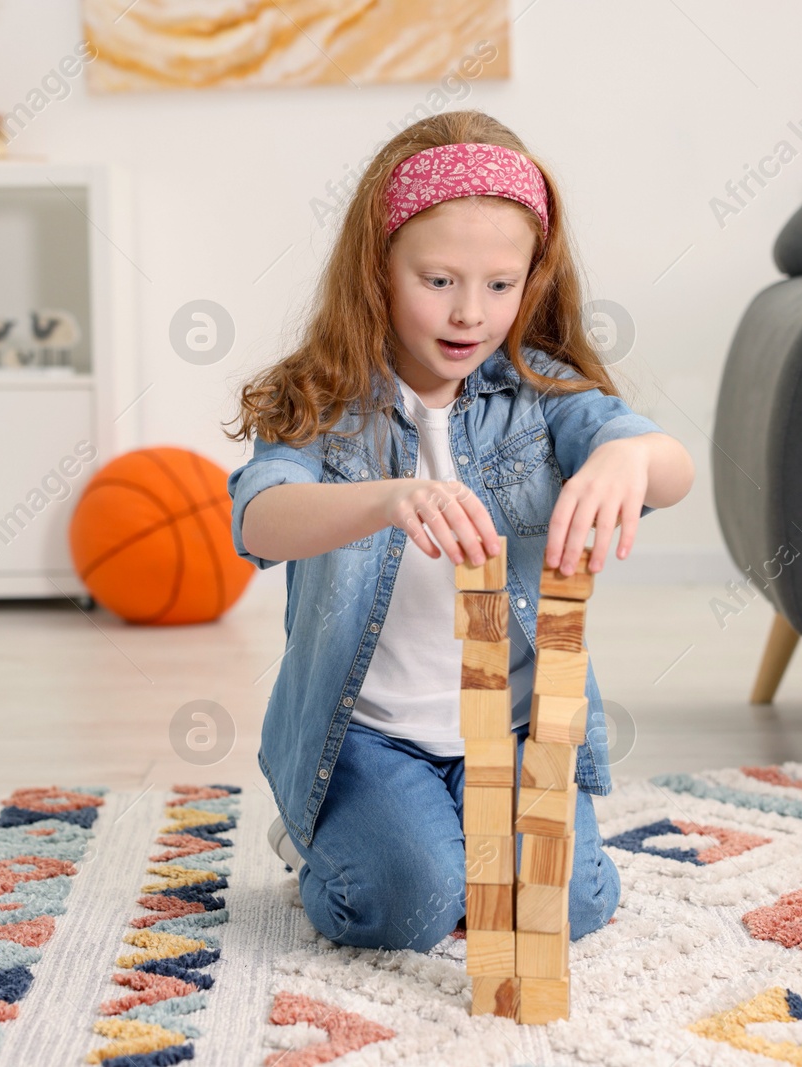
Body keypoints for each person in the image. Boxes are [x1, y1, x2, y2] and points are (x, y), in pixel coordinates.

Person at [225, 109, 695, 952]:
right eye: (438, 280)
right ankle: (320, 843)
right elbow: (260, 516)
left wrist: (628, 459)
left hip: (515, 729)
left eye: (501, 285)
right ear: (378, 268)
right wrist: (385, 499)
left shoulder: (544, 394)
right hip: (370, 736)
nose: (470, 313)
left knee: (567, 909)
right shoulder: (322, 401)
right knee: (407, 904)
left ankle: (455, 838)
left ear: (532, 281)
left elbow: (671, 468)